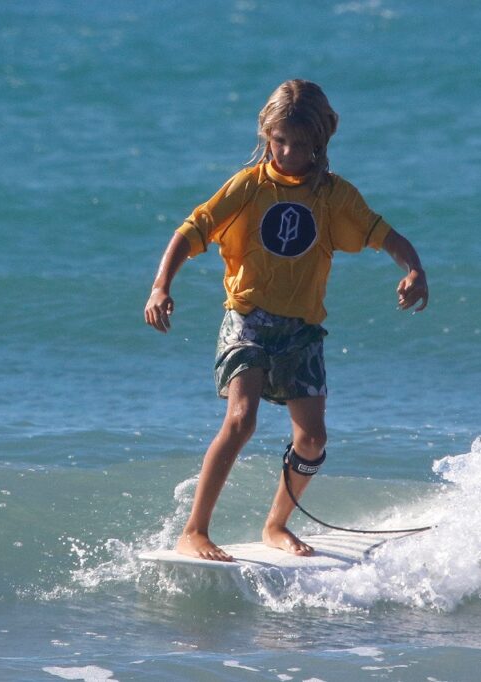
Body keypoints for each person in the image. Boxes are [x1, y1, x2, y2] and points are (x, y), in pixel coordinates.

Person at [144, 79, 428, 562]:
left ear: (320, 142)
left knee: (312, 438)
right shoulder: (248, 186)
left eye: (301, 143)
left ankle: (275, 525)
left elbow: (387, 235)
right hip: (248, 318)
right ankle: (194, 530)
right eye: (280, 141)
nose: (290, 151)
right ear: (266, 135)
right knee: (241, 420)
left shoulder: (335, 196)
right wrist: (161, 285)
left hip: (301, 329)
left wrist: (415, 269)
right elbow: (190, 231)